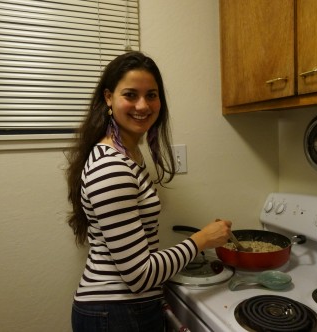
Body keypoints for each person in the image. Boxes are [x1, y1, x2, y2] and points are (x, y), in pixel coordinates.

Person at [66, 51, 232, 332]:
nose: (142, 106)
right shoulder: (112, 167)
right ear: (108, 98)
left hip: (122, 310)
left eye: (151, 95)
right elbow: (140, 276)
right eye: (130, 95)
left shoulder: (128, 154)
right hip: (117, 314)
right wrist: (202, 239)